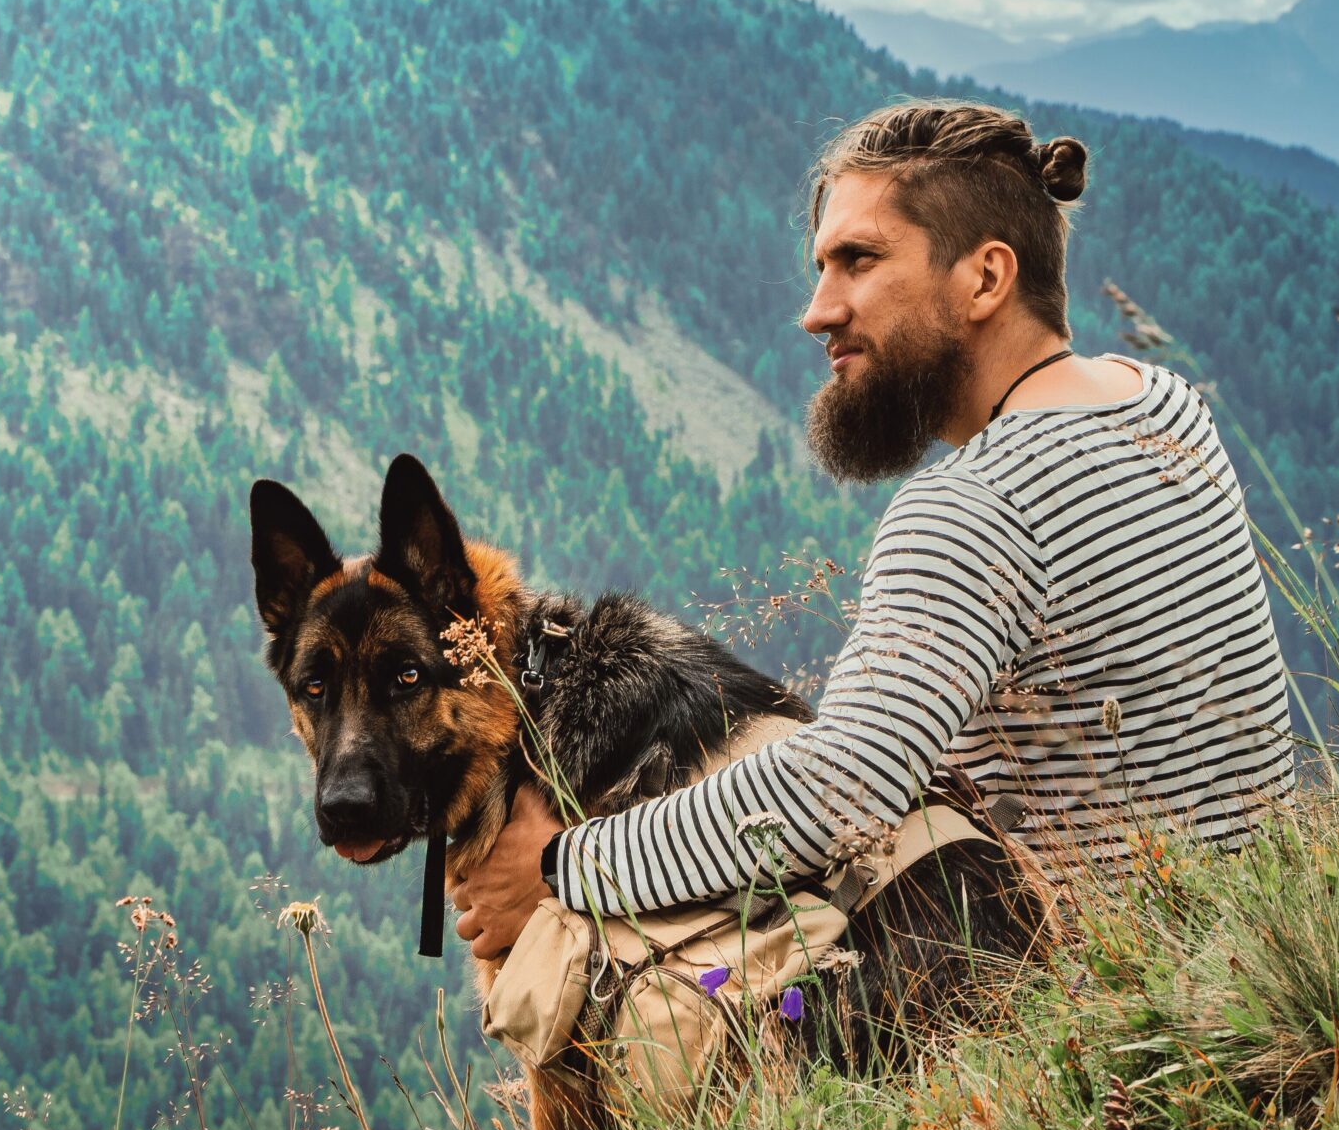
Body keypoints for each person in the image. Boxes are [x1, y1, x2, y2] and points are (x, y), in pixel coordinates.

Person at [450, 100, 1295, 957]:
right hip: (1264, 957)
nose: (817, 311)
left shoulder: (975, 505)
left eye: (858, 260)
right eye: (822, 267)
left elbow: (839, 789)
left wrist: (564, 866)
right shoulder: (1159, 402)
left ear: (986, 279)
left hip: (1101, 1006)